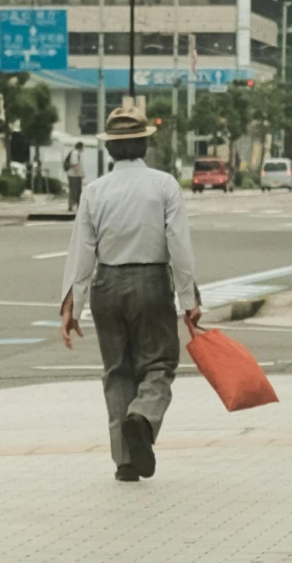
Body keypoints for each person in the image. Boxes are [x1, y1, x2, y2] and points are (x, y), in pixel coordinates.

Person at [59, 105, 202, 482]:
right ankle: (143, 417)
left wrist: (72, 305)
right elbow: (179, 246)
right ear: (143, 145)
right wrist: (189, 300)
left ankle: (125, 462)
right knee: (158, 364)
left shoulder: (94, 191)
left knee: (117, 371)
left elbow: (82, 251)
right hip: (152, 282)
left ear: (109, 149)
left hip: (106, 285)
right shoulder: (164, 185)